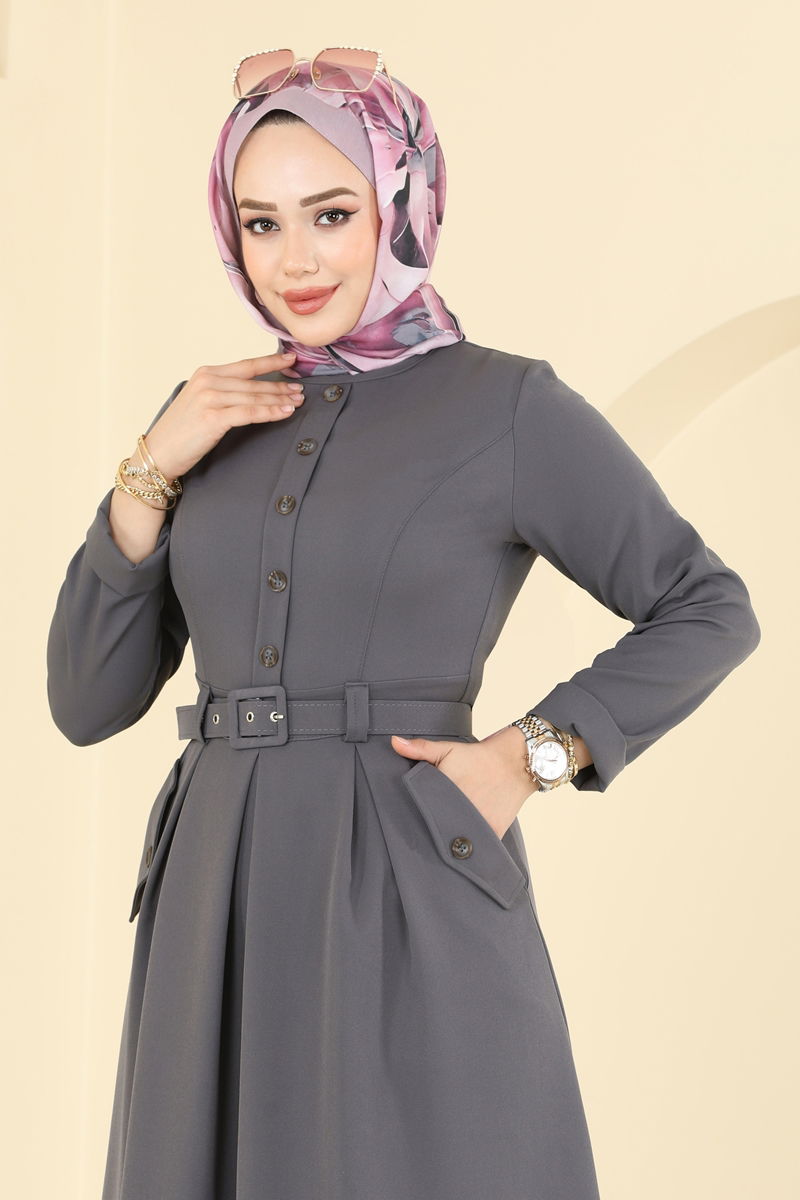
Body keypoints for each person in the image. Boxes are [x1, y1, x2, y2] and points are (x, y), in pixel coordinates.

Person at [46, 48, 761, 1200]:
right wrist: (150, 470)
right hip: (211, 896)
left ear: (400, 200)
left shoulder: (504, 406)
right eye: (261, 223)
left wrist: (531, 754)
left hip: (403, 873)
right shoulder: (202, 417)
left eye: (331, 214)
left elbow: (705, 603)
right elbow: (87, 701)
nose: (295, 260)